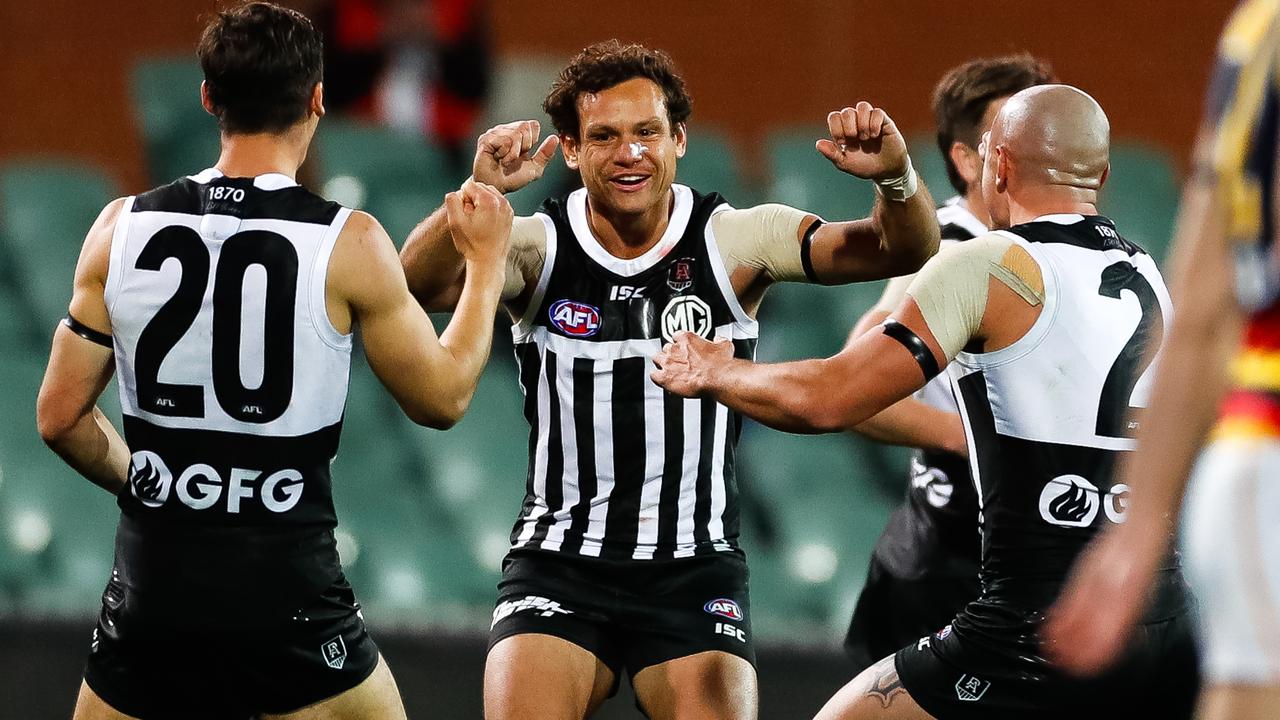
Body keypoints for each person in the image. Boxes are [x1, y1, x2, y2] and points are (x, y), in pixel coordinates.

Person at [399, 40, 940, 720]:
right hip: (558, 565)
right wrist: (473, 197)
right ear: (570, 150)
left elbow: (905, 248)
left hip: (693, 568)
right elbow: (413, 283)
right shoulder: (536, 247)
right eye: (604, 136)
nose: (629, 153)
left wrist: (896, 181)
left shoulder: (737, 241)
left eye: (647, 132)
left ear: (679, 138)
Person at [652, 84, 1198, 720]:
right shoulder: (1155, 277)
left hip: (1034, 626)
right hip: (1163, 623)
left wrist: (719, 372)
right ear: (1101, 175)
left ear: (997, 164)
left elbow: (829, 400)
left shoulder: (990, 264)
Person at [34, 4, 513, 718]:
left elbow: (60, 417)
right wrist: (486, 264)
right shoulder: (346, 241)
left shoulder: (119, 228)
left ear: (208, 99)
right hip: (286, 594)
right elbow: (442, 398)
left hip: (153, 590)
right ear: (318, 99)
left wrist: (151, 482)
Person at [1046, 2, 1280, 718]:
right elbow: (1206, 307)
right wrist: (1138, 527)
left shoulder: (1260, 31)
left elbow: (1203, 303)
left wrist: (1139, 527)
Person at [842, 55, 1056, 672]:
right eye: (1015, 133)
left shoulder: (1056, 249)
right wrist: (971, 440)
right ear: (967, 160)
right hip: (945, 562)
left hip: (1028, 555)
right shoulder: (951, 247)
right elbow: (857, 382)